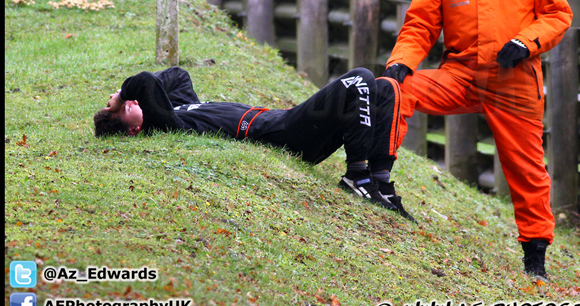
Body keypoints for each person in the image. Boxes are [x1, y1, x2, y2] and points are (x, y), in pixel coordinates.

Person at [383, 0, 573, 279]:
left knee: (527, 171)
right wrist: (402, 63)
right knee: (396, 90)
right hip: (460, 75)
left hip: (514, 83)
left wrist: (525, 43)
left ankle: (535, 259)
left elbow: (558, 15)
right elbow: (419, 24)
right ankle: (377, 180)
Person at [93, 66, 414, 221]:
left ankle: (380, 183)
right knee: (360, 78)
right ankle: (356, 177)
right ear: (133, 131)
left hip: (286, 121)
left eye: (126, 102)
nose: (131, 102)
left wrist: (126, 102)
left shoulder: (177, 108)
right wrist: (119, 96)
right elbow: (145, 81)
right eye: (124, 110)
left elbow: (177, 76)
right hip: (283, 133)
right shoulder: (166, 125)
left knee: (384, 88)